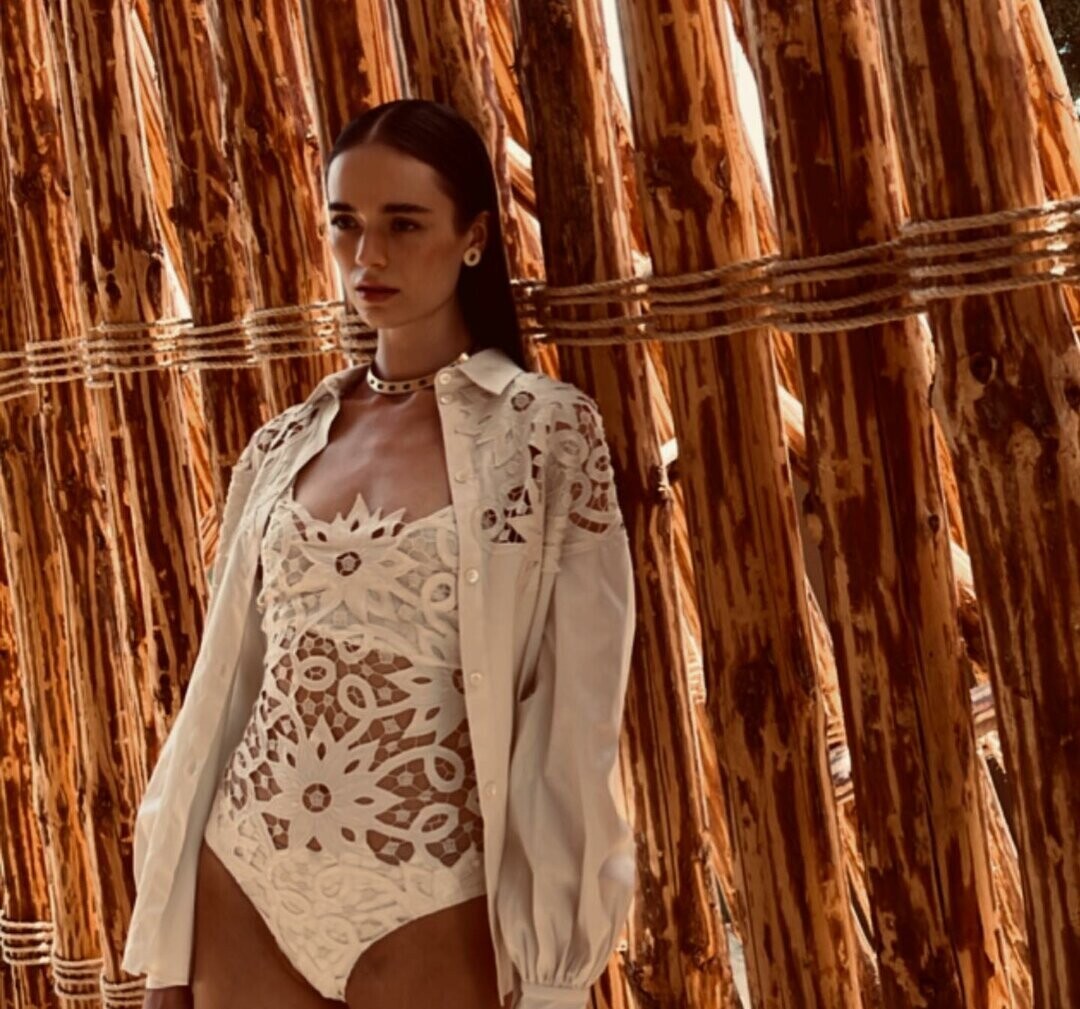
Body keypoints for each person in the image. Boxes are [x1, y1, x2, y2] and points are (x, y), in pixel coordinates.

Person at [123, 99, 637, 1009]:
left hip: (433, 900)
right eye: (345, 223)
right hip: (243, 880)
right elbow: (225, 689)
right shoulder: (283, 445)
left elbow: (573, 719)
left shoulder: (544, 438)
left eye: (404, 224)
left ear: (474, 237)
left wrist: (553, 980)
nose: (368, 256)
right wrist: (168, 941)